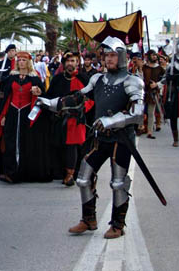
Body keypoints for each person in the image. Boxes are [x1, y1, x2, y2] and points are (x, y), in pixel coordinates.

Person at [67, 37, 144, 239]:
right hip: (100, 139)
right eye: (106, 55)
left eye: (112, 55)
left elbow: (137, 114)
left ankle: (118, 224)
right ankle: (88, 219)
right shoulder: (97, 80)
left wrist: (112, 121)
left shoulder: (132, 81)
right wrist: (49, 102)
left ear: (121, 57)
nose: (108, 59)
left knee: (118, 183)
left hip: (122, 140)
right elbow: (78, 97)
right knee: (83, 178)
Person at [43, 51, 93, 185]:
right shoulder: (58, 79)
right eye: (68, 61)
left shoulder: (84, 79)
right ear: (64, 63)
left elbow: (92, 98)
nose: (70, 63)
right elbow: (49, 96)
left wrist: (83, 108)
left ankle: (71, 174)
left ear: (77, 63)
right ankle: (60, 172)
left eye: (73, 61)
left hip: (76, 119)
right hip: (59, 118)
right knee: (59, 145)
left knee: (73, 145)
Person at [0, 52, 44, 183]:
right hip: (12, 112)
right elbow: (4, 97)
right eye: (19, 60)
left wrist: (38, 91)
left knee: (26, 142)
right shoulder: (11, 77)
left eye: (24, 60)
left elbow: (43, 93)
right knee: (10, 142)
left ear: (28, 62)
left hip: (27, 113)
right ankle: (10, 172)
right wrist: (3, 115)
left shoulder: (34, 78)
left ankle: (24, 172)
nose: (21, 62)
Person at [142, 50, 165, 139]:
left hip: (153, 93)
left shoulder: (159, 68)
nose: (154, 57)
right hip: (143, 92)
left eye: (155, 55)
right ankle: (141, 127)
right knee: (140, 111)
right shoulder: (144, 67)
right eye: (152, 55)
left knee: (151, 112)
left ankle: (150, 131)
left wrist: (157, 84)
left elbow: (165, 79)